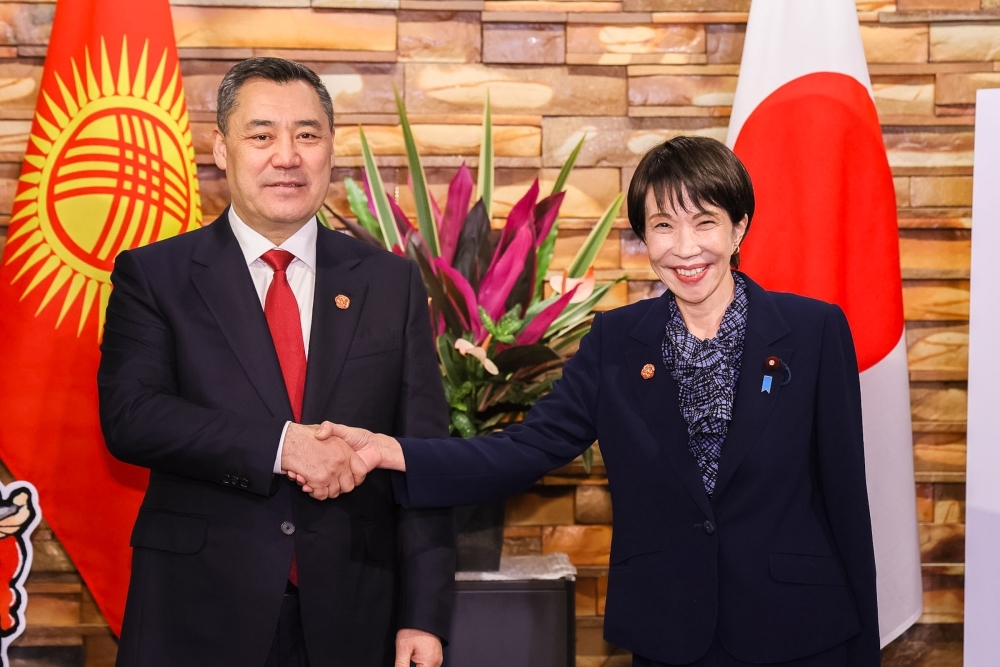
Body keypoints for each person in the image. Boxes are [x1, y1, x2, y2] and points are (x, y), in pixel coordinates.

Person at [304, 136, 881, 666]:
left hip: (800, 631)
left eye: (704, 223)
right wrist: (391, 451)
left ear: (739, 227)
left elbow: (846, 500)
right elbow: (524, 449)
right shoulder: (615, 343)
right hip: (672, 633)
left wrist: (865, 653)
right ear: (642, 237)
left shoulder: (812, 332)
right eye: (662, 226)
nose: (685, 249)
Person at [97, 57, 455, 667]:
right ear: (221, 149)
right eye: (261, 135)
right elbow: (133, 416)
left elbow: (422, 453)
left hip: (353, 612)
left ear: (330, 150)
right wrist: (283, 446)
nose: (286, 156)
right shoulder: (155, 275)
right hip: (199, 610)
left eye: (307, 135)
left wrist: (423, 615)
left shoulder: (389, 282)